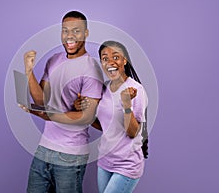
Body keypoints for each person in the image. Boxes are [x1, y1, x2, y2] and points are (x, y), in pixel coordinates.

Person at [21, 11, 104, 193]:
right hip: (44, 150)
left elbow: (86, 117)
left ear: (86, 33)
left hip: (71, 155)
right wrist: (29, 72)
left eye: (76, 31)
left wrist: (50, 116)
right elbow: (41, 100)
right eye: (65, 31)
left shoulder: (91, 69)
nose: (69, 36)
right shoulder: (54, 60)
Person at [74, 40, 148, 193]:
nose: (110, 62)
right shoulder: (105, 88)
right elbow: (104, 125)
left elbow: (132, 132)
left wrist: (126, 105)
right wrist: (84, 111)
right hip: (105, 161)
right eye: (105, 58)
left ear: (124, 60)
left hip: (127, 164)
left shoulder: (136, 89)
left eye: (116, 57)